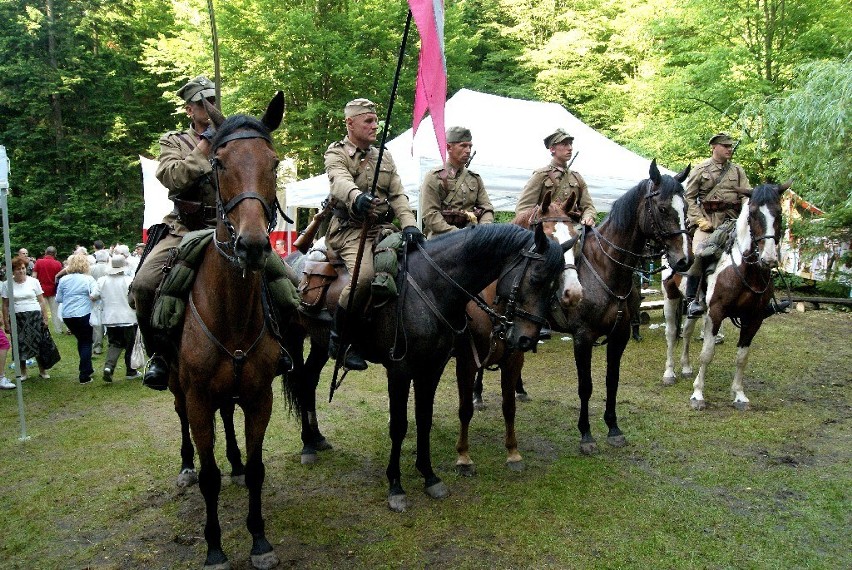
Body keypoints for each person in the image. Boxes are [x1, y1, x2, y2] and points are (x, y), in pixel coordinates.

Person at [131, 75, 298, 390]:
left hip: (231, 228)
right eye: (199, 103)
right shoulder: (174, 141)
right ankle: (160, 357)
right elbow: (173, 178)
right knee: (144, 285)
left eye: (211, 101)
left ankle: (278, 347)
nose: (207, 108)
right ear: (189, 109)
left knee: (288, 282)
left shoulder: (234, 137)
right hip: (184, 228)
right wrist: (206, 145)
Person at [324, 97, 423, 370]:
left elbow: (398, 194)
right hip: (350, 230)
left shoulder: (385, 156)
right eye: (368, 121)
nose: (374, 125)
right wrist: (357, 198)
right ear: (350, 123)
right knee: (365, 276)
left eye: (375, 120)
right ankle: (339, 340)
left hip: (382, 229)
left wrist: (410, 224)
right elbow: (339, 182)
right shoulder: (336, 153)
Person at [683, 132, 752, 318]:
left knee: (757, 250)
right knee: (700, 253)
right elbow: (688, 198)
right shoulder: (700, 169)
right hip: (709, 223)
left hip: (733, 223)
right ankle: (692, 301)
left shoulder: (737, 171)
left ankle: (760, 299)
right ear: (714, 147)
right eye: (725, 146)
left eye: (731, 146)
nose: (730, 149)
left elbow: (746, 195)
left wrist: (746, 211)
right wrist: (699, 220)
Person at [420, 126, 494, 238]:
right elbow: (430, 215)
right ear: (449, 147)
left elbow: (487, 209)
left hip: (472, 237)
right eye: (463, 146)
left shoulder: (474, 178)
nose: (468, 150)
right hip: (441, 239)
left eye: (470, 146)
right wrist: (458, 235)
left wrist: (483, 230)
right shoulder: (434, 177)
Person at [515, 128, 596, 226]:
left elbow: (587, 206)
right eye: (564, 144)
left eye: (570, 144)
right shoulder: (541, 175)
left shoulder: (577, 177)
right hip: (548, 229)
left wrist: (588, 217)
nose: (570, 148)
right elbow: (523, 209)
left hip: (573, 229)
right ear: (552, 149)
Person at [2, 256, 51, 381]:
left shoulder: (33, 281)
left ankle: (42, 370)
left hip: (34, 315)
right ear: (13, 271)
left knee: (39, 343)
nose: (21, 271)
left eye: (23, 268)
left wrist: (45, 318)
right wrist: (7, 323)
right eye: (18, 269)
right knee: (20, 344)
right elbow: (5, 305)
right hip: (18, 317)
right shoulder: (7, 284)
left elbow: (41, 301)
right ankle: (23, 372)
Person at [92, 255, 139, 382]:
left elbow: (94, 296)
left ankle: (109, 367)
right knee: (130, 345)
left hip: (110, 318)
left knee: (114, 344)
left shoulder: (102, 281)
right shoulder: (129, 281)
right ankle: (131, 371)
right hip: (128, 318)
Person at [56, 254, 96, 384]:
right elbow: (94, 295)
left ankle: (87, 368)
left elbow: (59, 299)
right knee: (86, 342)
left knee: (81, 340)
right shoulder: (88, 279)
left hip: (68, 315)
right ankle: (84, 373)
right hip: (84, 313)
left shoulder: (64, 280)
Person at [32, 246, 64, 335]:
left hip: (40, 291)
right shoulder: (58, 264)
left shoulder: (39, 262)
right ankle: (59, 330)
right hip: (53, 290)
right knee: (55, 311)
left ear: (45, 252)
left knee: (41, 310)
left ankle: (41, 329)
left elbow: (34, 276)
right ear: (55, 254)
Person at [89, 249, 111, 355]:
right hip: (109, 298)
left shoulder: (91, 269)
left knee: (97, 324)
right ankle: (112, 344)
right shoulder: (110, 268)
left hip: (96, 298)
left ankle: (97, 346)